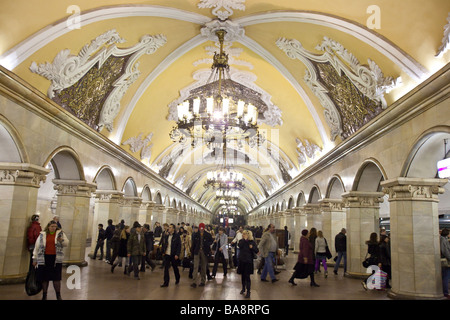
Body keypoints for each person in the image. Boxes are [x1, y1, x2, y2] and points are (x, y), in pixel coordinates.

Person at [32, 220, 69, 300]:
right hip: (44, 258)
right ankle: (44, 295)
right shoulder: (42, 235)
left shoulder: (61, 234)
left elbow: (66, 243)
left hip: (56, 259)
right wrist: (34, 258)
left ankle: (58, 295)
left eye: (55, 226)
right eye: (52, 226)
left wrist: (61, 240)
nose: (53, 228)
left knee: (56, 278)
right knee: (45, 278)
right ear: (48, 227)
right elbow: (37, 247)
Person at [191, 223, 213, 288]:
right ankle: (194, 282)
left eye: (202, 228)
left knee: (203, 266)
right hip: (197, 252)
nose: (201, 230)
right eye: (200, 228)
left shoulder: (208, 235)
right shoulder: (196, 235)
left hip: (204, 252)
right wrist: (192, 253)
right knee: (195, 266)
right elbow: (193, 244)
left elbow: (211, 241)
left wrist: (207, 244)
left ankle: (203, 281)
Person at [237, 230, 259, 298]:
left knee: (247, 276)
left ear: (248, 235)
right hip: (242, 261)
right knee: (243, 276)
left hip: (248, 261)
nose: (243, 235)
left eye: (244, 234)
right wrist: (244, 240)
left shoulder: (252, 242)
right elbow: (239, 245)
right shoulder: (241, 241)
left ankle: (248, 291)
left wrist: (252, 247)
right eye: (243, 234)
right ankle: (243, 288)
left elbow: (257, 250)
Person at [440, 228, 450, 298]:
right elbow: (445, 251)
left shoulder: (443, 239)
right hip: (445, 260)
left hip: (446, 259)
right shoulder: (443, 239)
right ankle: (445, 292)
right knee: (446, 277)